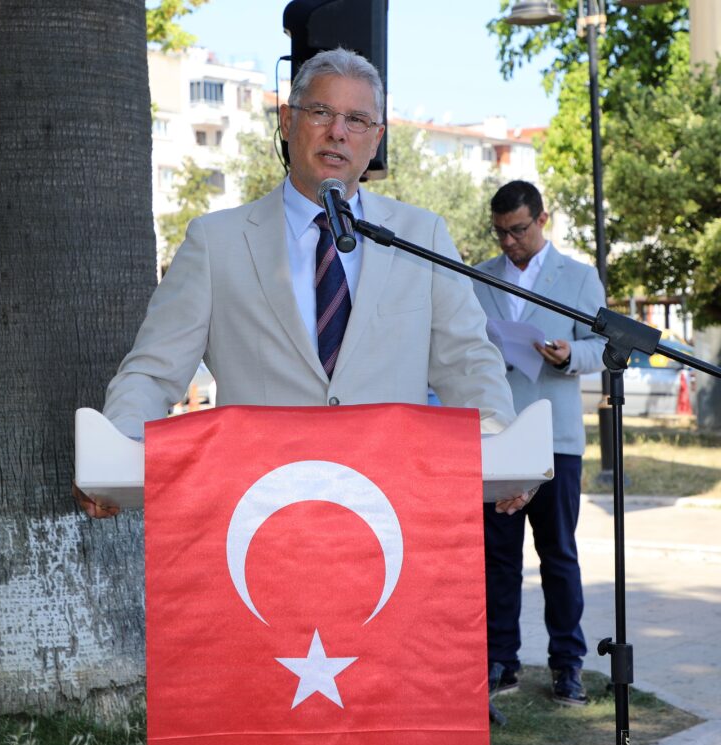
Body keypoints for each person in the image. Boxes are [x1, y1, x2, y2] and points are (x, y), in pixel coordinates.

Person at [73, 48, 531, 519]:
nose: (338, 131)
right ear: (288, 120)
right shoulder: (216, 242)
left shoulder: (420, 236)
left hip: (393, 514)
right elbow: (152, 372)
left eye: (356, 119)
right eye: (321, 112)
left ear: (376, 140)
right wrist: (118, 456)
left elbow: (468, 361)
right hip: (256, 516)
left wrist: (503, 451)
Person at [472, 180, 606, 706]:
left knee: (558, 555)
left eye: (519, 230)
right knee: (498, 558)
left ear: (542, 219)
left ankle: (567, 665)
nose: (509, 242)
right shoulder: (477, 277)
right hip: (497, 437)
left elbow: (602, 346)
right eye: (501, 232)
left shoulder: (578, 276)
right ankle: (500, 660)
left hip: (557, 438)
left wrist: (568, 353)